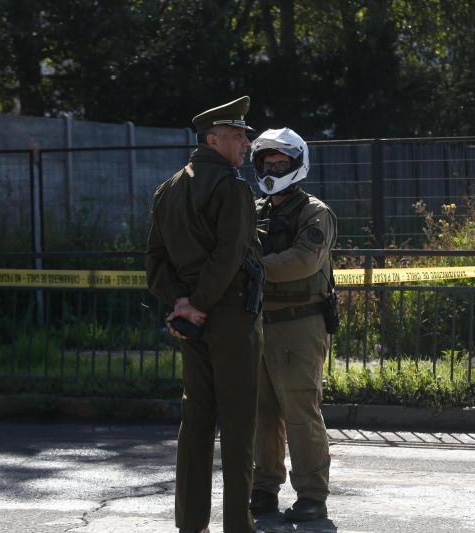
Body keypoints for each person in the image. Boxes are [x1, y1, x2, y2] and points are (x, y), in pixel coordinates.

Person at [145, 96, 264, 533]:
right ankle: (238, 524)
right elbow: (230, 253)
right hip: (230, 315)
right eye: (238, 136)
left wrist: (180, 302)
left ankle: (190, 522)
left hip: (191, 323)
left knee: (195, 421)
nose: (247, 143)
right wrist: (200, 302)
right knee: (237, 424)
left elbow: (155, 261)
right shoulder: (232, 187)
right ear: (213, 139)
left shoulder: (168, 189)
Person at [248, 127, 337, 522]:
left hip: (300, 324)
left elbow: (304, 260)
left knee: (301, 412)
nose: (272, 169)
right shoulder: (256, 209)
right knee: (261, 413)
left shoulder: (314, 212)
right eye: (266, 163)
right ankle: (263, 488)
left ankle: (312, 496)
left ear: (297, 165)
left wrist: (248, 270)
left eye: (280, 163)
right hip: (260, 322)